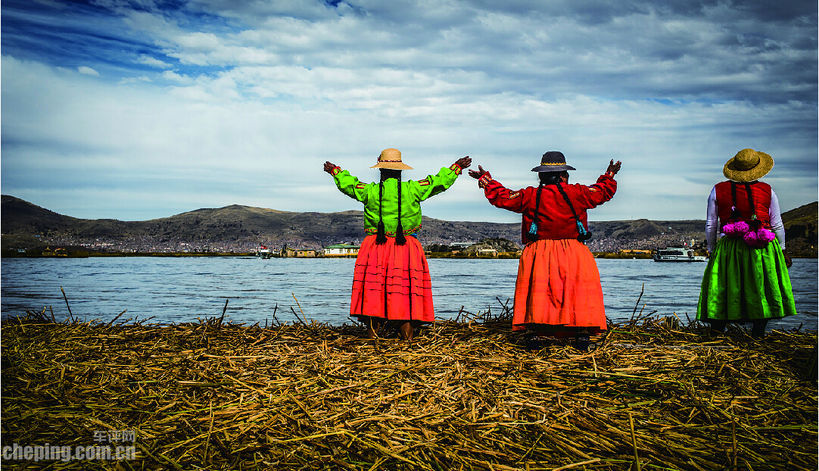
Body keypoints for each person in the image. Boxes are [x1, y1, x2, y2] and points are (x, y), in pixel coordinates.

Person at [469, 151, 620, 350]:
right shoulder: (579, 193)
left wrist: (486, 181)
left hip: (539, 253)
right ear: (564, 175)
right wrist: (609, 174)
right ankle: (580, 333)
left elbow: (504, 197)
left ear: (541, 176)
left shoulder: (530, 196)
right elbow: (602, 191)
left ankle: (537, 334)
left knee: (541, 294)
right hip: (574, 252)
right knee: (575, 293)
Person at [324, 149, 471, 340]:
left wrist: (335, 171)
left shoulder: (369, 191)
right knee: (404, 292)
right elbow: (438, 182)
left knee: (374, 292)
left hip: (375, 247)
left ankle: (372, 339)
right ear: (400, 170)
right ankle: (407, 339)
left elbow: (349, 185)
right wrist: (456, 168)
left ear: (380, 169)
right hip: (406, 248)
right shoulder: (413, 189)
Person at [697, 148, 796, 338]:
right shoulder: (768, 190)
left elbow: (711, 224)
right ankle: (758, 334)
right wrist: (783, 249)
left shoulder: (718, 190)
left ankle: (717, 332)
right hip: (762, 246)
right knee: (761, 286)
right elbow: (776, 223)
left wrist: (712, 249)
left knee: (725, 286)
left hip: (729, 247)